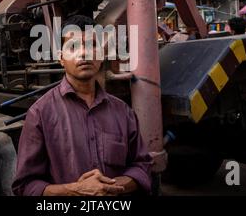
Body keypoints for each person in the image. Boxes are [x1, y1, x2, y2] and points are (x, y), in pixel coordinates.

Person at [12, 15, 152, 196]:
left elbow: (142, 167)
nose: (84, 53)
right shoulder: (40, 113)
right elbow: (25, 186)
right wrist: (75, 190)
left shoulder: (122, 111)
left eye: (92, 45)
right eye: (73, 46)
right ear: (61, 58)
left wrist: (113, 186)